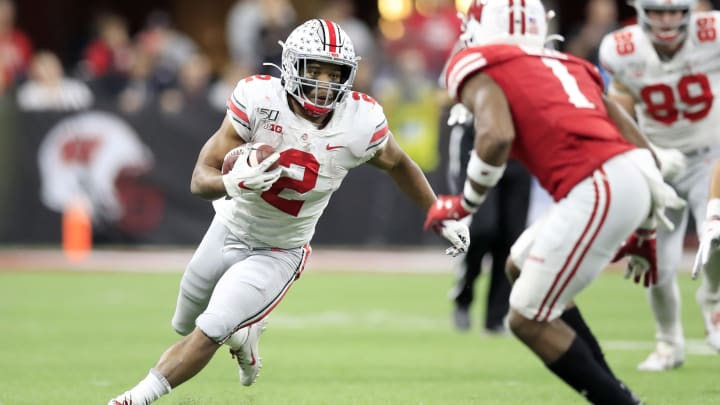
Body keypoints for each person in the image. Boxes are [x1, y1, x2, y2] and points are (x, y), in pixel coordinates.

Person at [107, 19, 469, 405]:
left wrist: (437, 212)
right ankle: (244, 332)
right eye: (315, 70)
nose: (325, 83)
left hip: (278, 250)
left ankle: (134, 399)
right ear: (292, 66)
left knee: (210, 327)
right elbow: (200, 178)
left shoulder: (360, 122)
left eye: (335, 74)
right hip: (227, 226)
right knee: (182, 321)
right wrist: (234, 183)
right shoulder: (259, 99)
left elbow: (400, 164)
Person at [425, 0, 684, 403]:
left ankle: (619, 401)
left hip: (599, 182)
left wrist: (464, 205)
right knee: (518, 263)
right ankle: (614, 389)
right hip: (630, 175)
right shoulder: (568, 62)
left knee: (526, 319)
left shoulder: (477, 61)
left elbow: (497, 136)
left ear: (479, 24)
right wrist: (646, 227)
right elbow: (639, 147)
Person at [599, 0, 720, 371]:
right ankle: (668, 344)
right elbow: (618, 117)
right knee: (658, 264)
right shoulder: (621, 49)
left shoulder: (712, 34)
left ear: (690, 12)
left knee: (715, 235)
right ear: (641, 10)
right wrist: (647, 155)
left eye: (674, 11)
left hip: (709, 157)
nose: (667, 19)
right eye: (658, 11)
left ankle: (712, 301)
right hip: (657, 162)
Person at [443, 105, 531, 333]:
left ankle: (496, 316)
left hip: (518, 152)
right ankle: (464, 296)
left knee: (511, 237)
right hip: (477, 147)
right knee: (481, 228)